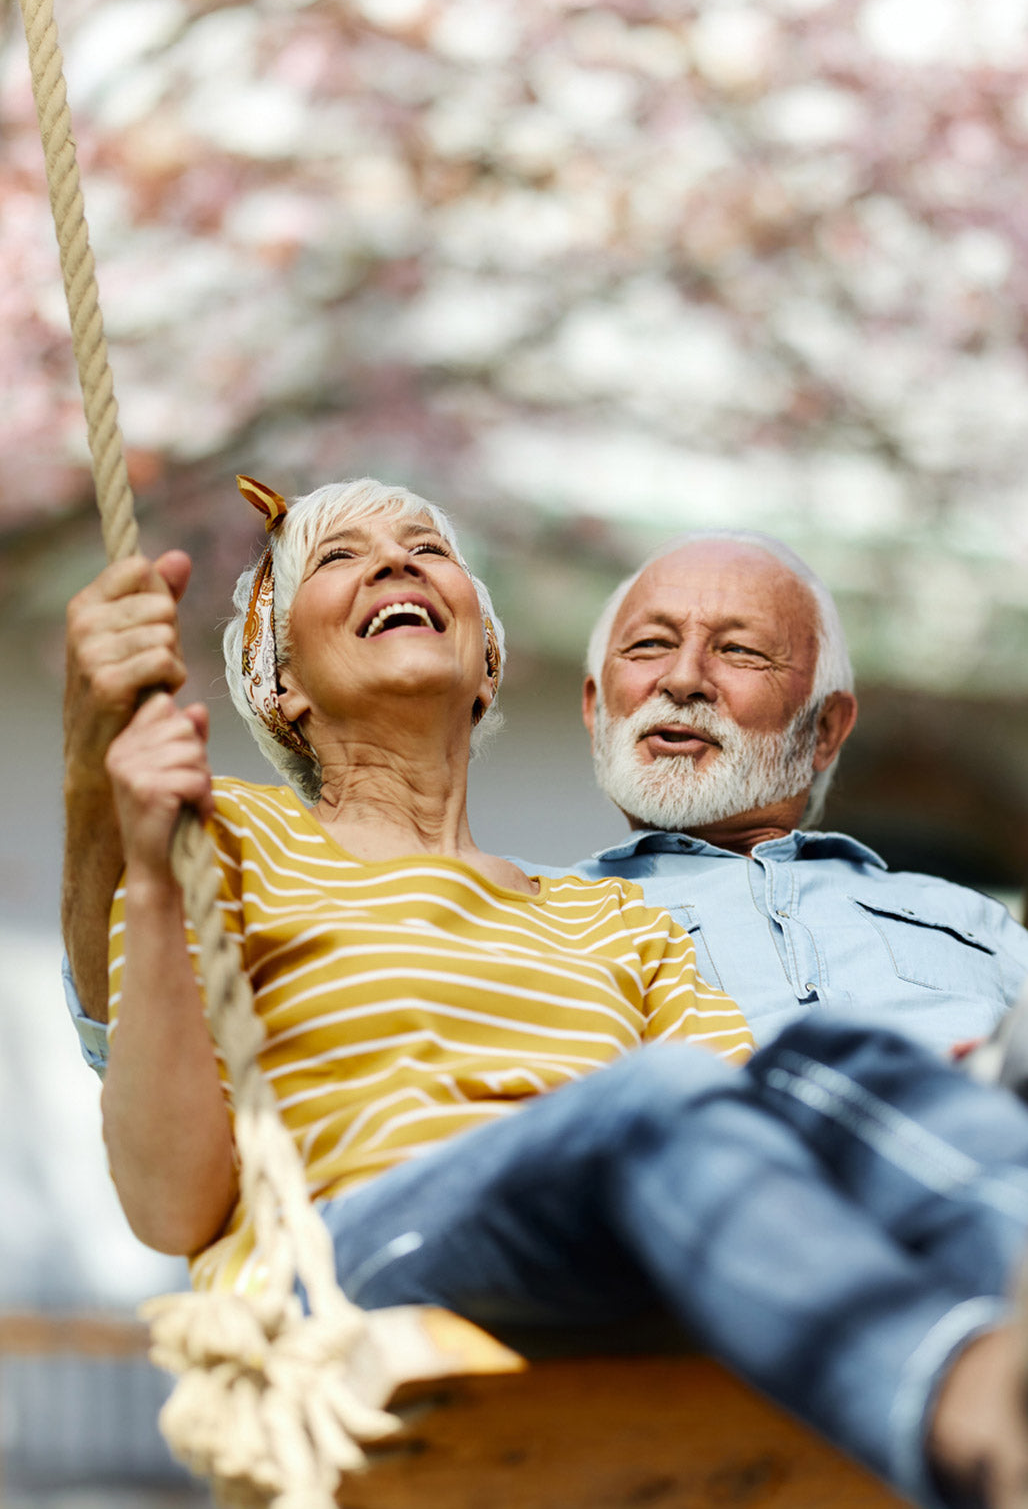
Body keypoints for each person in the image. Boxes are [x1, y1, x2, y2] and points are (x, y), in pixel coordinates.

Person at [96, 475, 1028, 1509]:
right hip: (355, 1256)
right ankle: (965, 1413)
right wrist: (141, 870)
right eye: (337, 556)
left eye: (423, 546)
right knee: (640, 1101)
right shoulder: (219, 830)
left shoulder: (613, 918)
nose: (395, 562)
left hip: (584, 1249)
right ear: (279, 684)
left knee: (832, 1065)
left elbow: (763, 1123)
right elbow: (168, 1201)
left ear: (487, 661)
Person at [513, 531, 1028, 1051]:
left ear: (824, 729)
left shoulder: (972, 919)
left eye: (739, 650)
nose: (683, 678)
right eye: (650, 644)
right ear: (596, 710)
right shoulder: (518, 909)